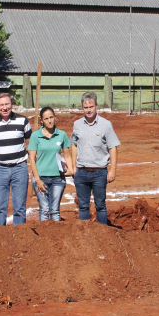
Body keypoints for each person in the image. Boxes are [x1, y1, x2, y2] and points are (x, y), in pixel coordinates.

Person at [70, 92, 121, 225]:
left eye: (91, 107)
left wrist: (112, 170)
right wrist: (74, 167)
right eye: (85, 107)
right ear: (82, 108)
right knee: (83, 206)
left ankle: (103, 236)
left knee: (100, 205)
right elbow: (74, 145)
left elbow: (113, 148)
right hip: (81, 171)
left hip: (99, 172)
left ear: (96, 106)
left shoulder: (106, 125)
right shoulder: (77, 125)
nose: (88, 110)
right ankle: (84, 236)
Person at [0, 93, 32, 226]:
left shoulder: (23, 121)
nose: (4, 108)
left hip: (19, 168)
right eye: (1, 105)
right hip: (0, 169)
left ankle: (19, 237)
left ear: (11, 104)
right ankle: (0, 239)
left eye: (7, 104)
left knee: (20, 207)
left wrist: (34, 167)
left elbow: (30, 145)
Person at [27, 106, 75, 222]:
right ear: (41, 121)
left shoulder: (61, 134)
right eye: (46, 118)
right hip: (41, 178)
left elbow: (67, 154)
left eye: (51, 117)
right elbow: (32, 159)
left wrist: (71, 170)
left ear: (55, 117)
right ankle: (44, 238)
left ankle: (55, 238)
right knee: (44, 209)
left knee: (54, 210)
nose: (50, 121)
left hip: (58, 178)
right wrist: (37, 179)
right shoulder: (35, 136)